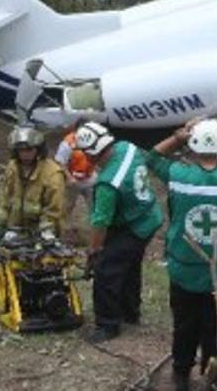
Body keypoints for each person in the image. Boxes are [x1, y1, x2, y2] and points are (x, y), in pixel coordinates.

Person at [150, 119, 217, 391]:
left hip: (184, 265)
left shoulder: (178, 175)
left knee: (184, 323)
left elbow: (152, 157)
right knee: (215, 322)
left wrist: (176, 137)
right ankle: (213, 374)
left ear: (192, 144)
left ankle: (181, 373)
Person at [76, 121, 163, 342]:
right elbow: (150, 156)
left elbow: (100, 221)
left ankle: (108, 324)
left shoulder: (108, 183)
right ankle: (130, 312)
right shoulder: (127, 147)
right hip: (148, 215)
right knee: (130, 265)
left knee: (107, 270)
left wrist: (95, 251)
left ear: (90, 154)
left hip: (133, 225)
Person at [0, 125, 65, 237]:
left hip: (41, 233)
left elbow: (54, 210)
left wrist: (45, 232)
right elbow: (6, 199)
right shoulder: (12, 168)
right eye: (21, 150)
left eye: (29, 150)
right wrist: (0, 226)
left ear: (38, 149)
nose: (25, 154)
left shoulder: (52, 173)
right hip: (14, 230)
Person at [53, 120, 95, 243]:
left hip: (89, 177)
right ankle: (65, 233)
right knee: (66, 206)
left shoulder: (94, 140)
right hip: (72, 180)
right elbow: (60, 162)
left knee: (95, 204)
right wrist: (69, 177)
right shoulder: (67, 143)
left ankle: (95, 232)